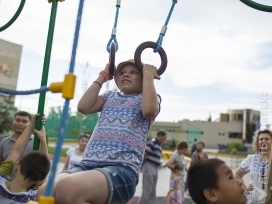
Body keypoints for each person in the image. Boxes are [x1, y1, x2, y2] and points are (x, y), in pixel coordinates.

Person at [37, 59, 161, 204]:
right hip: (87, 164)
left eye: (133, 72)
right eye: (122, 73)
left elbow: (149, 110)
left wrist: (148, 75)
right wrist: (103, 75)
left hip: (121, 168)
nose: (126, 75)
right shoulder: (110, 96)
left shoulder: (147, 99)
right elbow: (83, 107)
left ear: (144, 78)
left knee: (69, 189)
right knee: (43, 191)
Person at [0, 114, 50, 203]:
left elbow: (16, 151)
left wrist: (31, 126)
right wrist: (43, 140)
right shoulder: (33, 197)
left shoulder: (1, 180)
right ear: (40, 182)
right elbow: (44, 171)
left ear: (17, 166)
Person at [234, 129, 272, 204]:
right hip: (251, 201)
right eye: (261, 139)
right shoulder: (251, 158)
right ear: (257, 143)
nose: (264, 141)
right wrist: (245, 190)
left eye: (267, 139)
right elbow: (237, 175)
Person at [137, 130, 167, 204]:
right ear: (159, 136)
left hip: (155, 168)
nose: (164, 140)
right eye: (164, 138)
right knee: (147, 191)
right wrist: (141, 166)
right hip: (149, 166)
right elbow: (145, 154)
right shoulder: (152, 142)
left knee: (153, 191)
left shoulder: (159, 145)